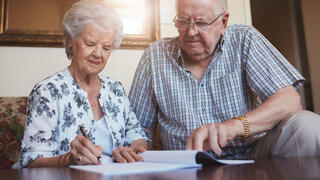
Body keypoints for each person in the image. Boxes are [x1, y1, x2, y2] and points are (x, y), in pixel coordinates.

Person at [129, 0, 320, 159]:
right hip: (185, 163)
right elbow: (137, 126)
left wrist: (232, 127)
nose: (191, 32)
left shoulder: (244, 39)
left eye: (201, 23)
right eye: (183, 21)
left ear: (224, 22)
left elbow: (289, 100)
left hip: (251, 155)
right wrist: (137, 144)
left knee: (307, 125)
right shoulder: (154, 55)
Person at [15, 0, 148, 168]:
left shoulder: (116, 90)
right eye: (90, 44)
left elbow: (137, 135)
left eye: (106, 48)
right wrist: (68, 160)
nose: (98, 54)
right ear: (71, 41)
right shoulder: (48, 91)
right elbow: (30, 160)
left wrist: (135, 148)